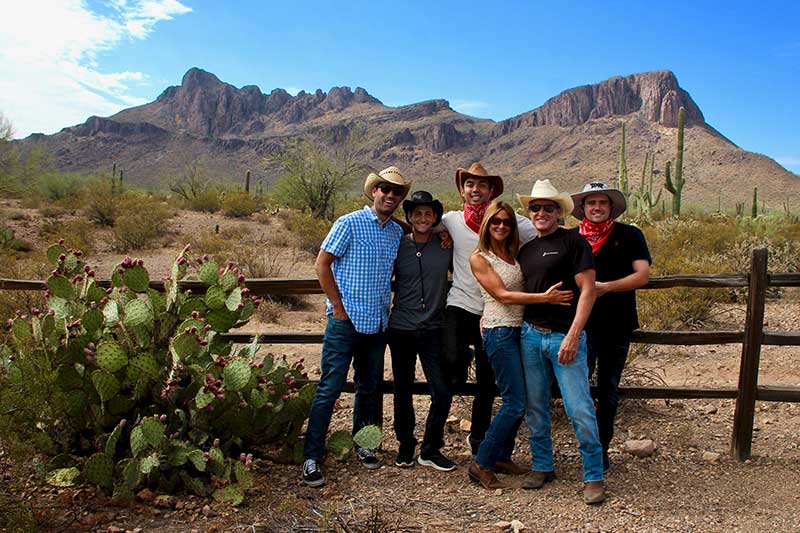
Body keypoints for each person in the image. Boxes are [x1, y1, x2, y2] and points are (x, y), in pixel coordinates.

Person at [301, 166, 411, 487]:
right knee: (330, 388)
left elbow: (415, 229)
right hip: (344, 322)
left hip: (377, 324)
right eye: (385, 189)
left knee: (369, 387)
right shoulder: (348, 223)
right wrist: (337, 307)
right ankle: (312, 455)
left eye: (396, 192)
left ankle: (364, 444)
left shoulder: (394, 232)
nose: (390, 195)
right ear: (374, 191)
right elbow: (322, 263)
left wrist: (439, 233)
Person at [467, 201, 573, 489]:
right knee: (515, 402)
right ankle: (482, 462)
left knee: (522, 398)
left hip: (520, 330)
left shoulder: (513, 254)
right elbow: (501, 295)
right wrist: (545, 299)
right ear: (487, 225)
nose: (501, 226)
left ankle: (501, 456)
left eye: (506, 222)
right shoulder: (480, 257)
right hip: (499, 331)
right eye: (495, 222)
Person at [440, 163, 536, 471]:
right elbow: (421, 225)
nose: (476, 189)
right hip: (460, 304)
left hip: (493, 314)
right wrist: (440, 239)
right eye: (470, 184)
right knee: (452, 361)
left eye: (482, 185)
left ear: (492, 191)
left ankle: (479, 438)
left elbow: (543, 231)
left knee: (487, 382)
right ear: (462, 189)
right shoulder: (450, 221)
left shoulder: (510, 221)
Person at [516, 179, 606, 505]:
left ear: (558, 212)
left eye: (548, 207)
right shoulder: (525, 249)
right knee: (535, 405)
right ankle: (542, 465)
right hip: (530, 335)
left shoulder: (573, 241)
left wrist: (573, 334)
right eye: (535, 207)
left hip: (564, 338)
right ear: (530, 212)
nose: (541, 212)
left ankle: (593, 474)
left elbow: (588, 291)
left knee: (578, 407)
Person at [570, 182, 651, 472]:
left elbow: (642, 276)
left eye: (602, 202)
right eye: (591, 202)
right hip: (579, 325)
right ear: (582, 208)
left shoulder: (630, 235)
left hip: (617, 323)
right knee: (577, 388)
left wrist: (607, 288)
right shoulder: (570, 238)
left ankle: (601, 450)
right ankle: (586, 447)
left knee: (608, 388)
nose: (596, 207)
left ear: (610, 207)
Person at [387, 190, 456, 472]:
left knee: (442, 390)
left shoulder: (446, 246)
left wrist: (444, 233)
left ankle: (430, 448)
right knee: (402, 389)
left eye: (428, 214)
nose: (423, 218)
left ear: (436, 217)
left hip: (433, 329)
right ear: (410, 217)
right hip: (401, 328)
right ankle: (405, 445)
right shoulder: (397, 245)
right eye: (418, 214)